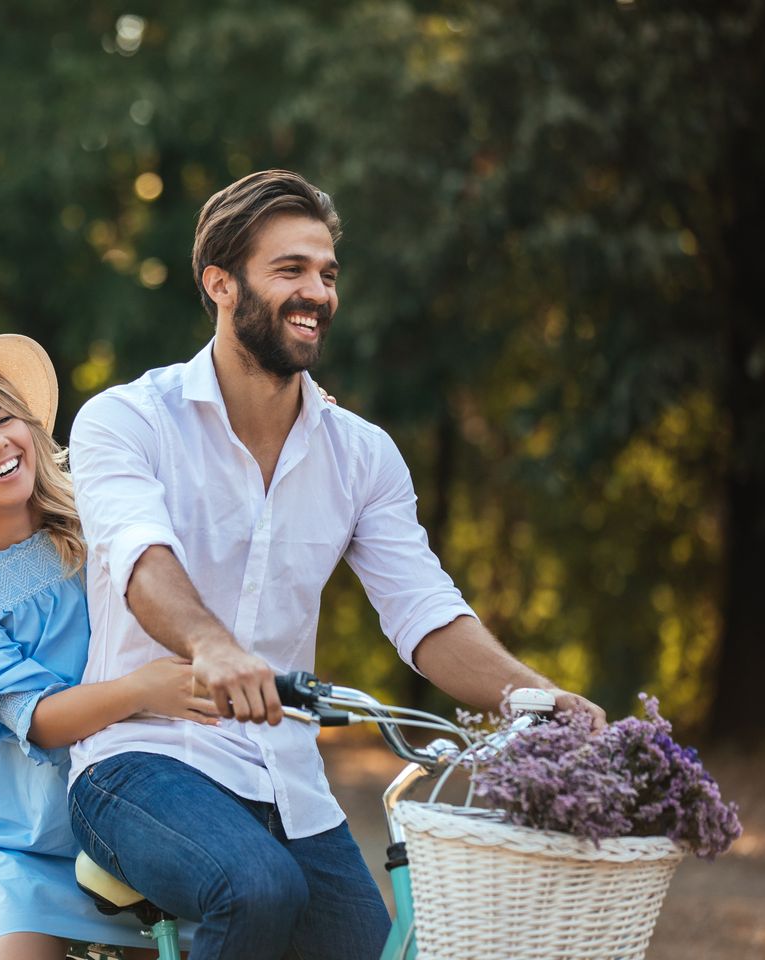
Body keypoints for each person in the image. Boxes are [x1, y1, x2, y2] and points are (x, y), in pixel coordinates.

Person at [66, 169, 606, 960]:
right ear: (220, 284)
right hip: (139, 761)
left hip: (287, 781)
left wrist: (535, 693)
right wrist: (211, 646)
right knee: (256, 890)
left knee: (385, 948)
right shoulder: (127, 419)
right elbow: (141, 558)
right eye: (290, 270)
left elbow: (426, 612)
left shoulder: (362, 455)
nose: (316, 291)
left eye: (326, 273)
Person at [0, 334, 217, 960]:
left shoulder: (100, 518)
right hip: (16, 841)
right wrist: (144, 690)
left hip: (133, 817)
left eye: (4, 420)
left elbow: (205, 500)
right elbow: (38, 718)